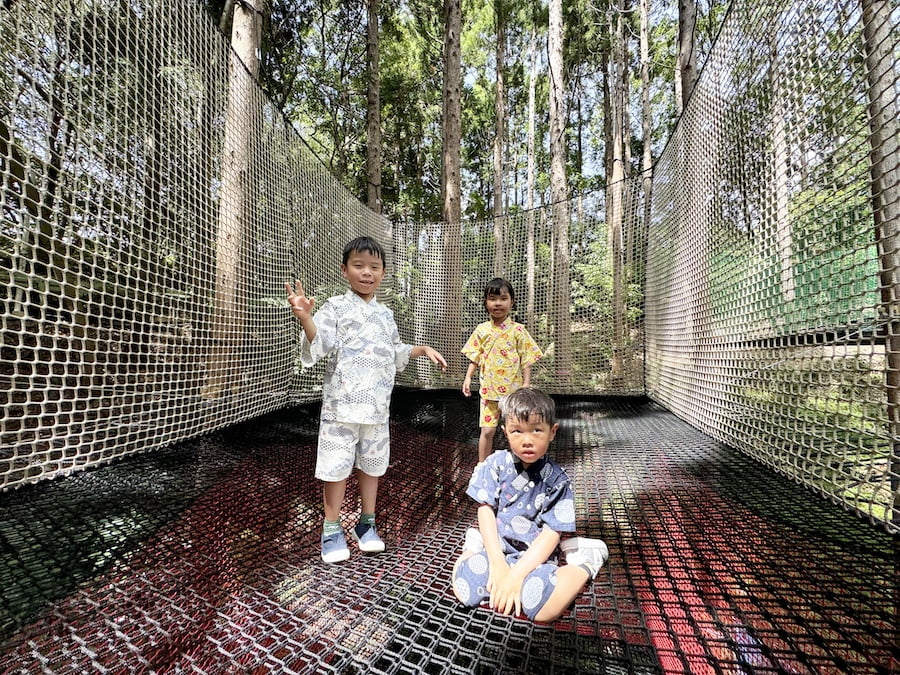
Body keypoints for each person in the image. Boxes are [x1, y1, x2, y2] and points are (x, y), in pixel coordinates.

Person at [285, 235, 447, 563]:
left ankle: (366, 524)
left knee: (372, 465)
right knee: (336, 467)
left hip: (376, 408)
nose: (367, 272)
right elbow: (320, 344)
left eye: (374, 267)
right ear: (344, 270)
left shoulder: (385, 314)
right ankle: (332, 529)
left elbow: (395, 351)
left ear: (383, 273)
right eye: (358, 265)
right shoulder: (335, 307)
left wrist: (421, 349)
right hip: (341, 408)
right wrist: (305, 318)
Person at [451, 386, 609, 622]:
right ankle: (474, 547)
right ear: (505, 432)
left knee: (544, 612)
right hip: (499, 549)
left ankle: (585, 562)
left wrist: (516, 575)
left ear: (552, 432)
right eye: (517, 431)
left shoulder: (557, 480)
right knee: (464, 591)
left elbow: (552, 532)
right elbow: (485, 509)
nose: (527, 440)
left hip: (534, 558)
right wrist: (497, 564)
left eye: (536, 430)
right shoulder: (495, 464)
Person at [461, 278, 543, 462]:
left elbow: (526, 358)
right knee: (487, 431)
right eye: (492, 299)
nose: (498, 303)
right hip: (488, 392)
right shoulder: (481, 330)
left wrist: (526, 383)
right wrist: (468, 378)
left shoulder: (518, 330)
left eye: (503, 298)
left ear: (511, 302)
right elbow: (475, 357)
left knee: (516, 430)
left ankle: (520, 464)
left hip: (513, 394)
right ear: (485, 302)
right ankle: (482, 467)